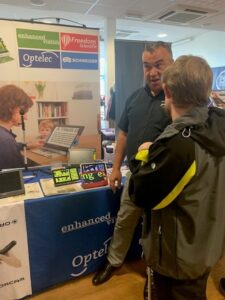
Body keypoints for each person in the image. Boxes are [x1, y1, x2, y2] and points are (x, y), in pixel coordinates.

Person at [129, 55, 225, 300]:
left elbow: (141, 193)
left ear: (167, 90)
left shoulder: (178, 145)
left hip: (177, 258)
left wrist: (144, 153)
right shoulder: (218, 128)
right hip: (204, 245)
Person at [92, 41, 173, 297]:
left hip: (164, 183)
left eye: (159, 65)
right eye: (147, 66)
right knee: (125, 221)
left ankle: (153, 272)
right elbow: (123, 134)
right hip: (135, 176)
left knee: (156, 231)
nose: (152, 72)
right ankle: (114, 262)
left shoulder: (179, 101)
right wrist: (115, 168)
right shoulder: (134, 98)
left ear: (171, 63)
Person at [0, 84, 33, 170]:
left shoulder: (4, 137)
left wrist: (28, 145)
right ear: (11, 108)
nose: (26, 117)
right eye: (24, 112)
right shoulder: (6, 141)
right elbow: (15, 179)